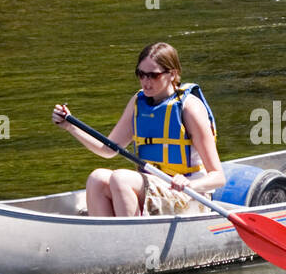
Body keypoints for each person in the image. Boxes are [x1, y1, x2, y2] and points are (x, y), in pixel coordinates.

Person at [52, 42, 226, 216]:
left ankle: (132, 238)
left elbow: (218, 177)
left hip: (189, 196)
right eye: (141, 74)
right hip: (154, 189)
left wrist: (189, 185)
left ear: (172, 74)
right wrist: (70, 126)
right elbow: (107, 150)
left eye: (153, 75)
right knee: (97, 179)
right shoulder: (138, 102)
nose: (146, 82)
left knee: (121, 178)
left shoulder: (190, 109)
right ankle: (109, 239)